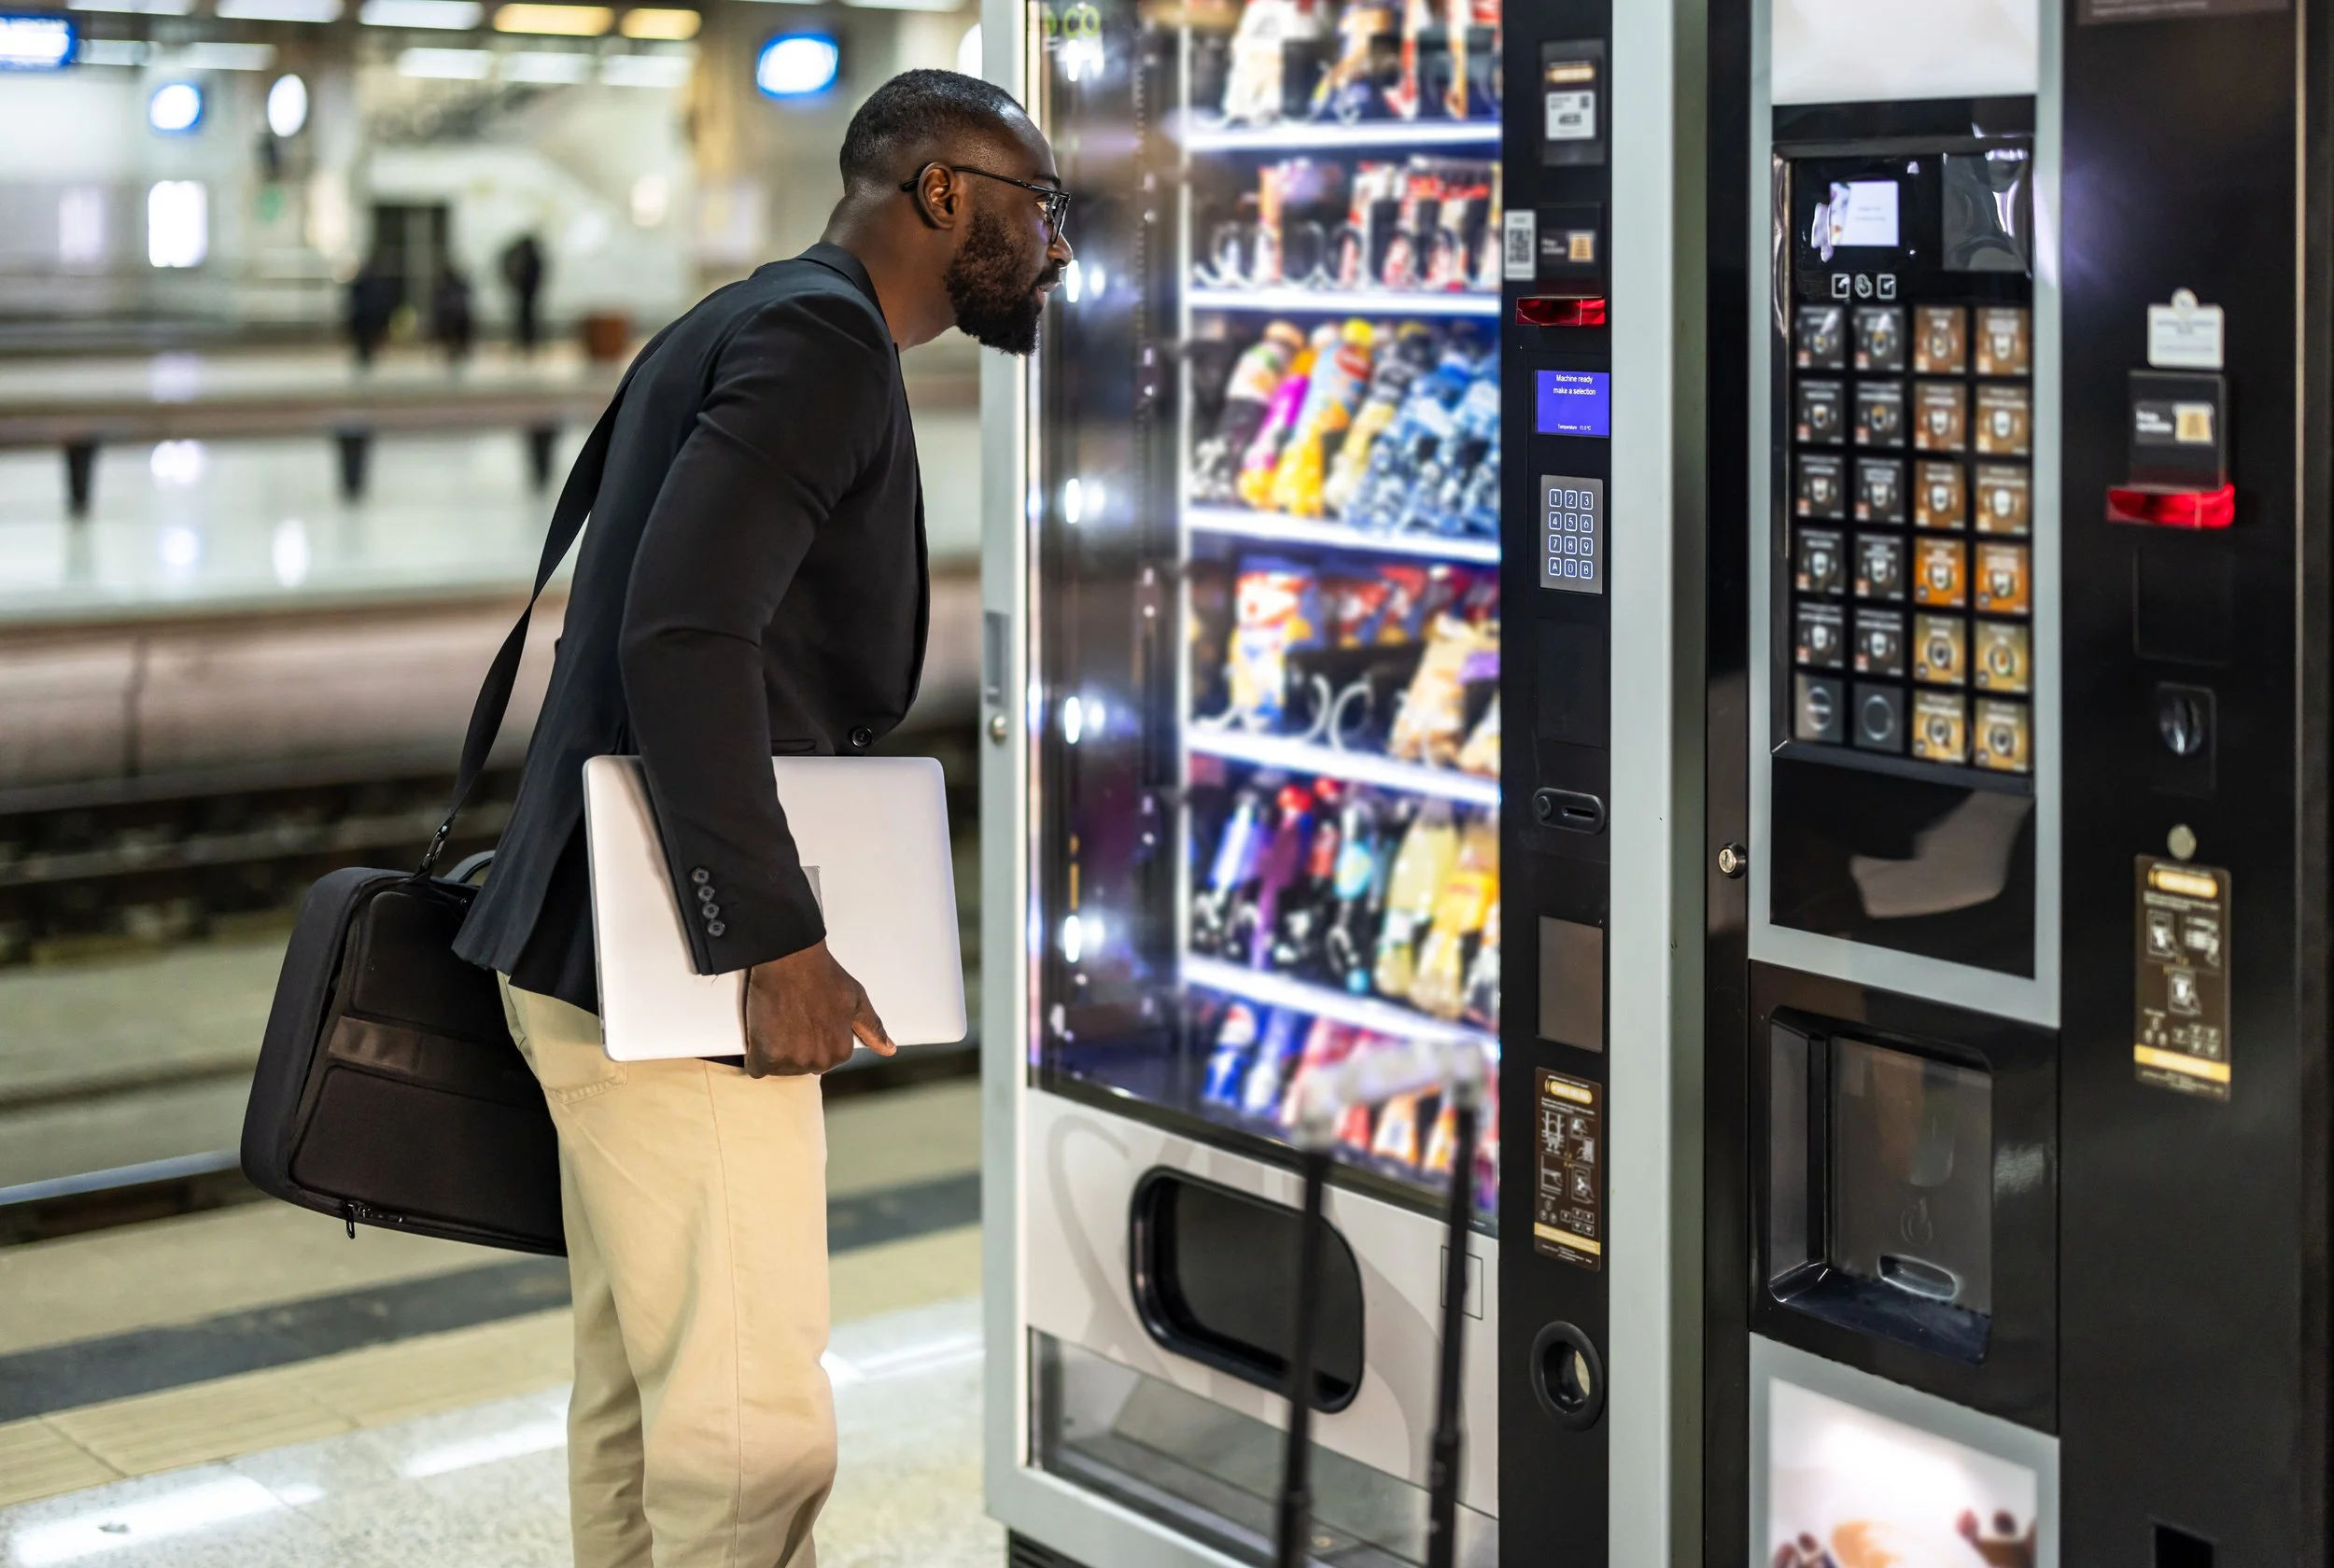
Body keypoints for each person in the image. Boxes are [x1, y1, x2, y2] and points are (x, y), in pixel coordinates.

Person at [452, 70, 1070, 1568]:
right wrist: (772, 940)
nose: (1054, 248)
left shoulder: (749, 314)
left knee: (648, 1396)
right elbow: (685, 637)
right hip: (669, 960)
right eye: (1038, 209)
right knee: (752, 1437)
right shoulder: (816, 345)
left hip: (599, 938)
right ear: (940, 193)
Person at [500, 231, 547, 355]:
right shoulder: (527, 258)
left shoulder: (530, 258)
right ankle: (525, 341)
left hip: (528, 293)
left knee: (527, 318)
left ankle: (528, 341)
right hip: (524, 293)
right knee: (524, 318)